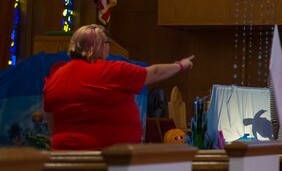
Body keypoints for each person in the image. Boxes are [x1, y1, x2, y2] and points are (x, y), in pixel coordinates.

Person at [43, 23, 194, 150]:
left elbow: (50, 121)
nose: (109, 47)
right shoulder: (110, 71)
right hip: (108, 161)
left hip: (65, 156)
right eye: (107, 43)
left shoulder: (56, 76)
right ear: (97, 46)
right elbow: (155, 73)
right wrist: (181, 65)